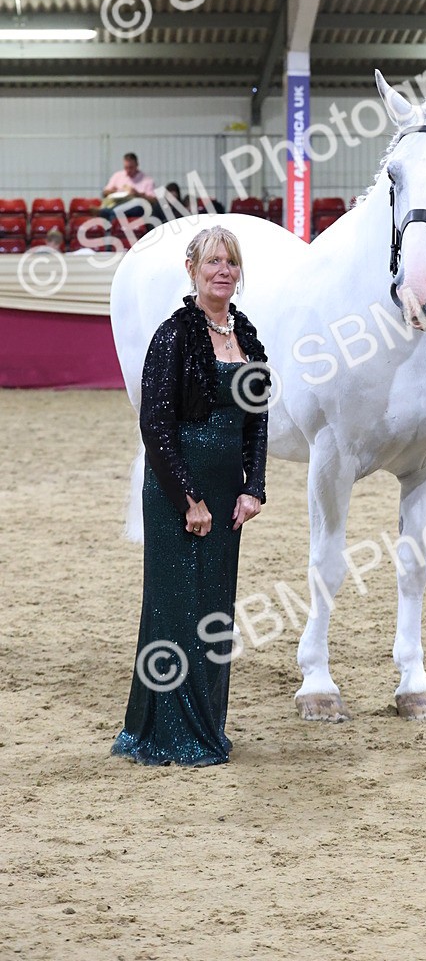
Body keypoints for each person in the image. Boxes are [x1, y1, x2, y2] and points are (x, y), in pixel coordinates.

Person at [112, 225, 270, 767]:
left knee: (215, 615)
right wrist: (189, 501)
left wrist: (253, 489)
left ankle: (206, 726)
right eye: (213, 262)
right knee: (176, 609)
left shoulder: (246, 334)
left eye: (231, 262)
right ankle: (165, 735)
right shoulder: (173, 334)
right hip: (178, 492)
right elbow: (155, 427)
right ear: (192, 270)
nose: (223, 271)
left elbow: (257, 422)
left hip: (228, 497)